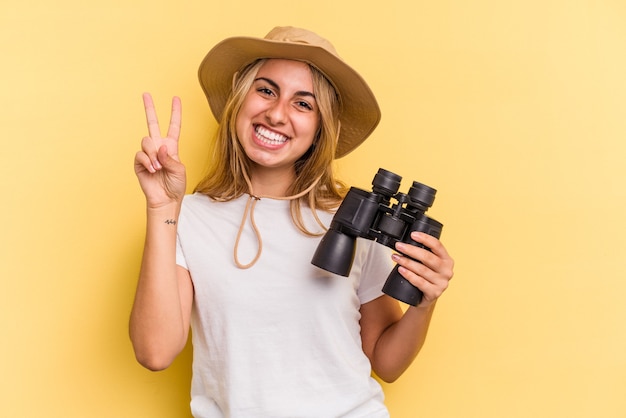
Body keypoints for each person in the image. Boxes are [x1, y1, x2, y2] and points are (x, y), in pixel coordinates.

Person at [130, 26, 454, 417]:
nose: (277, 113)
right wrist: (162, 207)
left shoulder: (352, 218)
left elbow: (386, 362)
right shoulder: (189, 216)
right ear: (239, 100)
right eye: (265, 90)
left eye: (304, 104)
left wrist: (425, 302)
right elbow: (155, 351)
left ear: (320, 129)